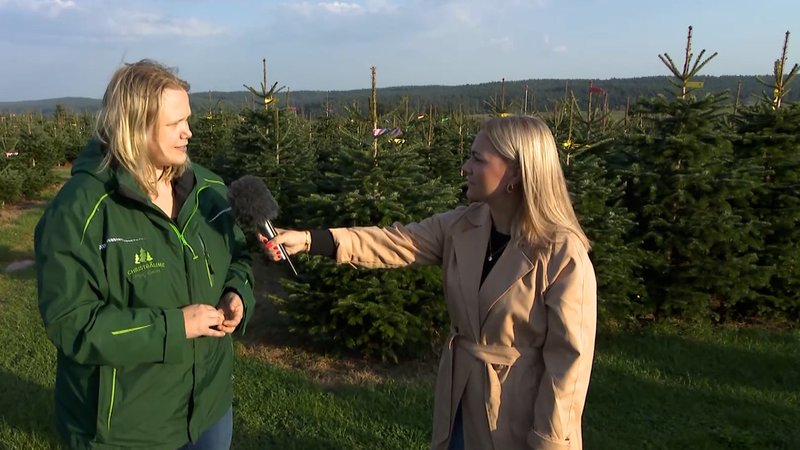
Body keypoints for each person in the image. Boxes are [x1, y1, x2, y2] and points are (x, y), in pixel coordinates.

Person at [264, 115, 597, 450]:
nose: (465, 167)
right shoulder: (462, 226)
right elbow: (395, 242)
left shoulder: (561, 253)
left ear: (515, 172)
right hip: (460, 400)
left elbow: (569, 363)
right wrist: (309, 240)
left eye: (477, 159)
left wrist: (550, 441)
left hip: (517, 416)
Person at [34, 59, 256, 450]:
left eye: (187, 119)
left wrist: (238, 292)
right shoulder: (79, 212)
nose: (188, 132)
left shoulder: (209, 191)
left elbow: (238, 254)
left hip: (209, 409)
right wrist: (174, 327)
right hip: (128, 428)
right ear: (134, 128)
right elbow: (72, 323)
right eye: (174, 124)